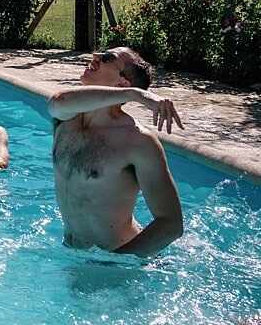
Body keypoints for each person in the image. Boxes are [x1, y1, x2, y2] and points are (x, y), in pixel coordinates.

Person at [47, 47, 184, 257]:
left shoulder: (137, 141)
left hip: (116, 257)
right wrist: (136, 94)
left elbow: (171, 224)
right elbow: (58, 100)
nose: (96, 56)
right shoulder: (66, 118)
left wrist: (115, 262)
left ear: (122, 83)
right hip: (71, 252)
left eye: (108, 58)